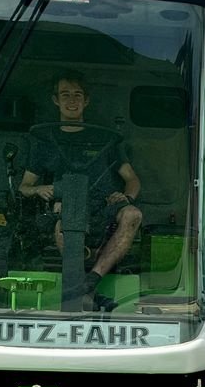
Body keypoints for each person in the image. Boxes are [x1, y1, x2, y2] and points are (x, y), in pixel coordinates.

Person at [18, 70, 142, 306]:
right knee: (65, 217)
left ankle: (91, 281)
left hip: (104, 205)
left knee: (133, 214)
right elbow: (24, 186)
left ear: (86, 100)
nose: (71, 100)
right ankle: (78, 288)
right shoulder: (45, 141)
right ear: (55, 100)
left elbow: (133, 180)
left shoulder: (104, 138)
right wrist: (39, 189)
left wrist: (126, 196)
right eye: (65, 94)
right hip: (64, 206)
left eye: (77, 95)